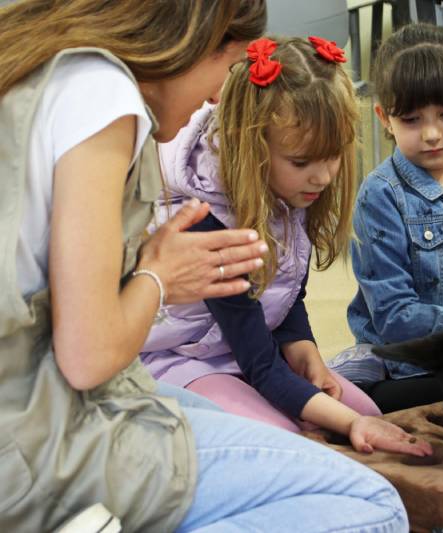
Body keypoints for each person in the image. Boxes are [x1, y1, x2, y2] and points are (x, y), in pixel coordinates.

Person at [0, 2, 427, 531]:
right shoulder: (103, 96)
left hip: (77, 398)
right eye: (225, 70)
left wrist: (305, 352)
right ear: (197, 41)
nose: (217, 96)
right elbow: (88, 357)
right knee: (375, 505)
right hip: (48, 425)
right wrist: (157, 277)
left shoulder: (59, 73)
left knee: (344, 433)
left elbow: (281, 300)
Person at [140, 34, 424, 447]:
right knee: (288, 442)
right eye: (302, 161)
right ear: (253, 147)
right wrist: (346, 424)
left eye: (333, 156)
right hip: (183, 362)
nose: (324, 177)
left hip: (248, 351)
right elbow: (259, 362)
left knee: (370, 414)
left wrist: (302, 345)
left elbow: (285, 292)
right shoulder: (207, 223)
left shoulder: (290, 186)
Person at [327, 23, 443, 413]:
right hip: (412, 366)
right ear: (384, 118)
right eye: (412, 120)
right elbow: (394, 318)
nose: (432, 134)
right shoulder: (380, 195)